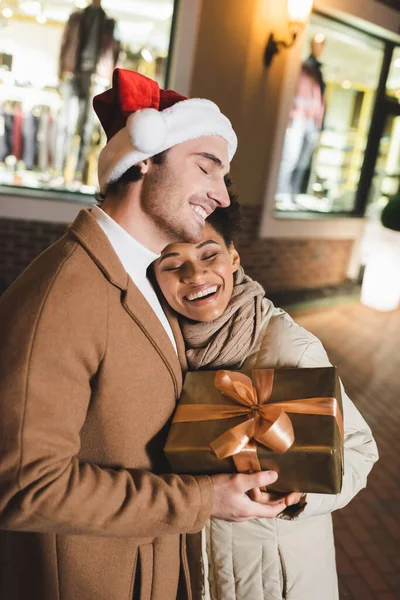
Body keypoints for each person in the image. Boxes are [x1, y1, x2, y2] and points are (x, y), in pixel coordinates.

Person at [0, 70, 284, 600]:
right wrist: (203, 501)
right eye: (207, 167)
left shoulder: (146, 275)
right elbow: (25, 487)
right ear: (145, 159)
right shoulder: (63, 295)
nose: (221, 196)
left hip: (145, 567)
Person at [153, 197, 379, 600]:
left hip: (278, 579)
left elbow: (360, 450)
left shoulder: (289, 346)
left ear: (233, 258)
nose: (196, 274)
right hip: (202, 570)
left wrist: (297, 495)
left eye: (209, 255)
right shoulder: (166, 351)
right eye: (172, 264)